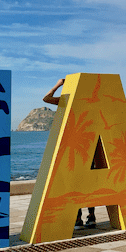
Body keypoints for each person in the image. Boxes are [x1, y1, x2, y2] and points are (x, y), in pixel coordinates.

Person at [43, 78, 97, 230]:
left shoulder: (85, 101)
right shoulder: (67, 101)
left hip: (85, 147)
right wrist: (59, 84)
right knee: (77, 185)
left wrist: (59, 84)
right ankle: (79, 217)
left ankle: (89, 217)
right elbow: (46, 98)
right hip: (76, 148)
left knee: (85, 184)